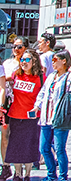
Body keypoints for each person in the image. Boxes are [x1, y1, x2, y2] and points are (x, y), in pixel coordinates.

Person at [34, 50, 71, 181]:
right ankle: (51, 174)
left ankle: (63, 176)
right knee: (44, 148)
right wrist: (37, 106)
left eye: (55, 60)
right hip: (46, 117)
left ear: (64, 61)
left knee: (60, 149)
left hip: (60, 117)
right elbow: (43, 92)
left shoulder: (69, 76)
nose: (52, 63)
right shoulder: (51, 76)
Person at [5, 49, 42, 181]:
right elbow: (3, 80)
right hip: (15, 115)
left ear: (34, 61)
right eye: (22, 59)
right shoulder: (16, 74)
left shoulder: (39, 77)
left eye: (27, 60)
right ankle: (17, 173)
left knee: (29, 146)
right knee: (15, 146)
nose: (23, 62)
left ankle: (27, 174)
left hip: (31, 117)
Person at [0, 37, 25, 180]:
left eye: (20, 46)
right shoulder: (6, 63)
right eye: (14, 46)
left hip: (21, 103)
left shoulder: (28, 63)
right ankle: (5, 166)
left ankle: (19, 170)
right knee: (4, 137)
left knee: (17, 137)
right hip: (8, 103)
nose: (16, 49)